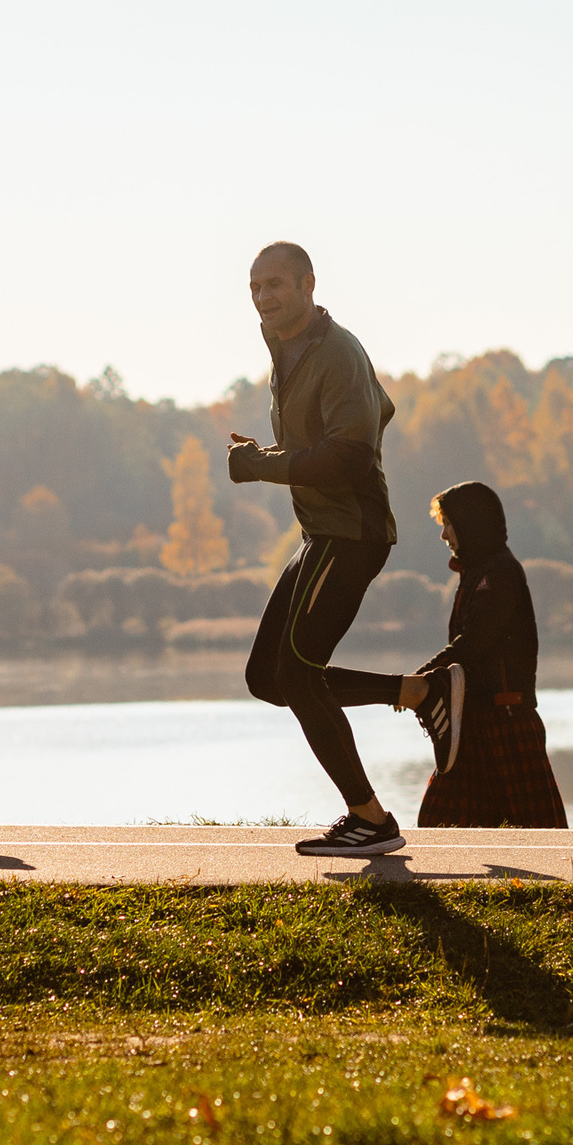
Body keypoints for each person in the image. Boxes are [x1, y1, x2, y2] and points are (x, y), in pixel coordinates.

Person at [228, 241, 432, 856]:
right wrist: (277, 458)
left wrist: (267, 467)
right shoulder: (290, 350)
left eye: (276, 285)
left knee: (297, 672)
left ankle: (370, 819)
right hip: (324, 531)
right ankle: (419, 692)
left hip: (351, 533)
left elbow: (352, 453)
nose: (264, 297)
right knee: (268, 676)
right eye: (255, 288)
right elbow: (379, 408)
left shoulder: (336, 350)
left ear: (308, 284)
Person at [365, 481, 568, 829]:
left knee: (541, 833)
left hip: (506, 719)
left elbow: (473, 643)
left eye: (449, 523)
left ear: (471, 524)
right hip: (470, 721)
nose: (444, 535)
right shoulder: (477, 571)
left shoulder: (499, 573)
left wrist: (418, 680)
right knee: (438, 825)